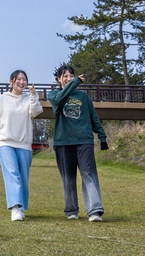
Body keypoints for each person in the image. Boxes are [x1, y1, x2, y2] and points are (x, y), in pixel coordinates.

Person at [48, 64, 109, 222]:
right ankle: (71, 210)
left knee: (88, 174)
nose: (68, 79)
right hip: (63, 142)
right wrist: (74, 83)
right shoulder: (54, 95)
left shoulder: (83, 97)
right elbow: (61, 100)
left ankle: (94, 210)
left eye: (71, 76)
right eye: (65, 76)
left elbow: (93, 117)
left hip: (84, 140)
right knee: (68, 177)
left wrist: (102, 137)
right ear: (58, 79)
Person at [0, 70, 43, 221]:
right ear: (11, 81)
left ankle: (22, 206)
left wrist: (33, 95)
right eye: (18, 79)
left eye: (24, 79)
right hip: (5, 142)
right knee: (12, 174)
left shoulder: (28, 98)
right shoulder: (1, 99)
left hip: (24, 143)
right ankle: (15, 207)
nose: (22, 81)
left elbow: (36, 112)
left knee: (23, 176)